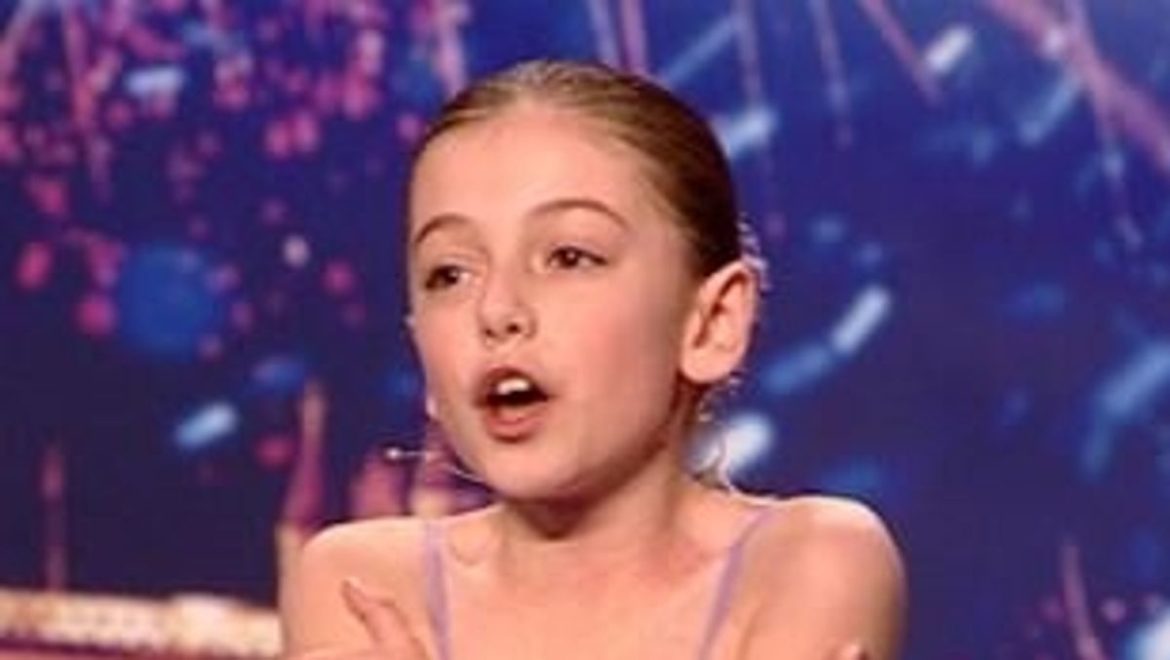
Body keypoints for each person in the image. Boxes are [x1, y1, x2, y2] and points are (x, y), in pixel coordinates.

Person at [279, 59, 906, 660]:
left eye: (569, 257)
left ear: (713, 322)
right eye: (450, 273)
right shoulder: (365, 584)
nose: (496, 310)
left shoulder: (808, 560)